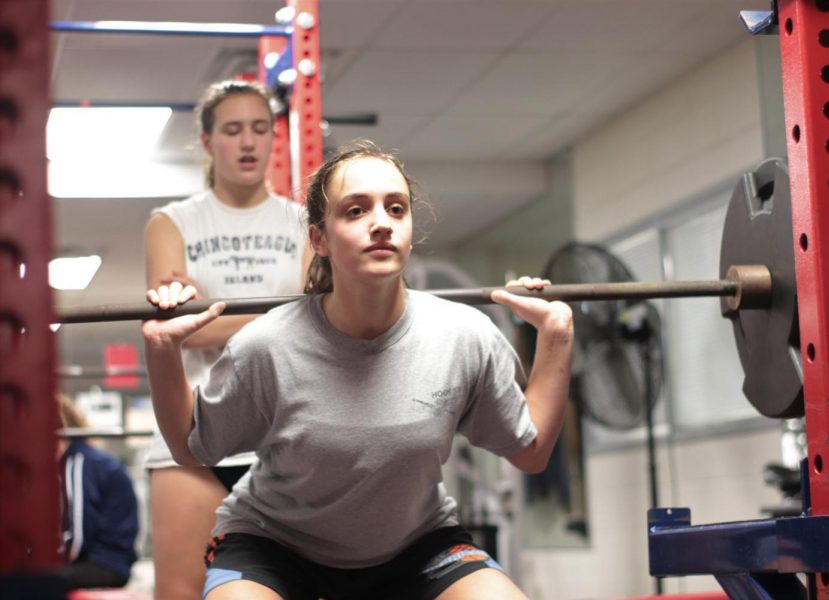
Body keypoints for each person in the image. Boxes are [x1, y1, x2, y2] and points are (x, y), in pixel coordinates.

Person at [141, 139, 573, 599]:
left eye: (395, 209)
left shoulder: (464, 335)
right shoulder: (268, 344)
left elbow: (530, 453)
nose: (381, 224)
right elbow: (191, 447)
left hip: (416, 546)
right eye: (355, 211)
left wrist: (558, 336)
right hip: (274, 546)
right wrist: (162, 351)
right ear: (318, 239)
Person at [142, 79, 310, 600]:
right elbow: (180, 332)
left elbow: (323, 321)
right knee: (182, 592)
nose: (247, 142)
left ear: (273, 140)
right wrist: (290, 310)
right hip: (190, 430)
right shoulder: (172, 222)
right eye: (233, 130)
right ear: (208, 141)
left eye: (260, 129)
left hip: (284, 431)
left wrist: (210, 316)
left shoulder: (306, 222)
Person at [57, 393, 139, 590]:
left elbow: (78, 538)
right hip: (108, 561)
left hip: (105, 564)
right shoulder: (90, 460)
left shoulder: (78, 462)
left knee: (28, 581)